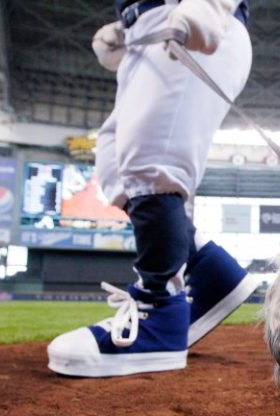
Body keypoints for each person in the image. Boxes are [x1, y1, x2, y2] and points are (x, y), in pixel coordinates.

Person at [47, 0, 255, 377]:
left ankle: (160, 310)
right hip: (147, 29)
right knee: (117, 171)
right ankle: (208, 271)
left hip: (194, 14)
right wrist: (129, 23)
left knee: (151, 165)